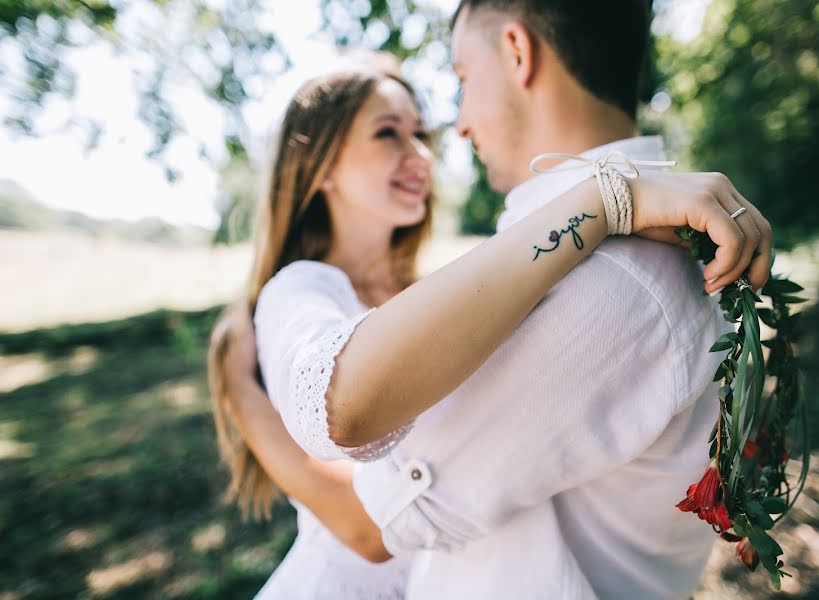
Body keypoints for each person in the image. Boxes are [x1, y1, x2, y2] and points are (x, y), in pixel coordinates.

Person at [213, 5, 773, 594]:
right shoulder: (617, 247)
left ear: (516, 52)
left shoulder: (611, 274)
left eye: (460, 78)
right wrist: (607, 198)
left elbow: (370, 510)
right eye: (388, 132)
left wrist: (608, 200)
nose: (451, 131)